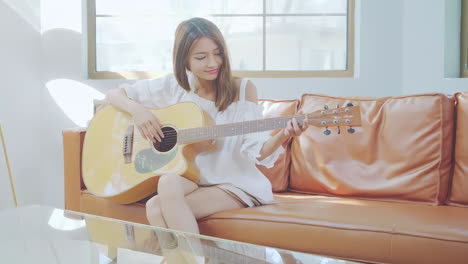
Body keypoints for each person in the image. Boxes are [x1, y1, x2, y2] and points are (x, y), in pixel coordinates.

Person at [106, 17, 308, 262]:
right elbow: (115, 94)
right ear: (185, 61)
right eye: (201, 58)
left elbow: (260, 151)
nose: (213, 63)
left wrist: (286, 134)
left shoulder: (243, 89)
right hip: (195, 180)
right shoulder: (174, 87)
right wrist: (138, 111)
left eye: (217, 53)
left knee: (155, 207)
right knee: (168, 182)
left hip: (234, 184)